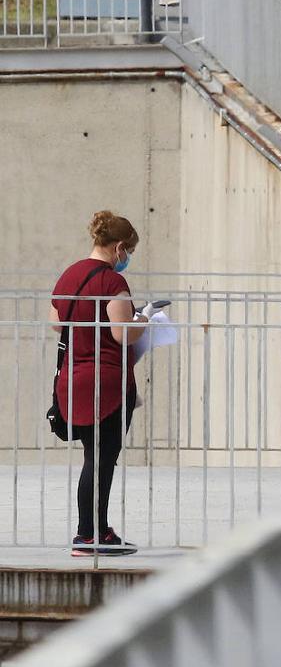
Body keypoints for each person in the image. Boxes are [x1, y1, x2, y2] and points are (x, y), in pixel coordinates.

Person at [50, 211, 157, 556]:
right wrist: (144, 319)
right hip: (107, 383)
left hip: (73, 380)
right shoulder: (113, 283)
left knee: (93, 457)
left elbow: (56, 324)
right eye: (130, 253)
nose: (128, 260)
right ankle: (89, 535)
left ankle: (96, 531)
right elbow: (121, 334)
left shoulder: (70, 275)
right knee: (102, 458)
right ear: (120, 248)